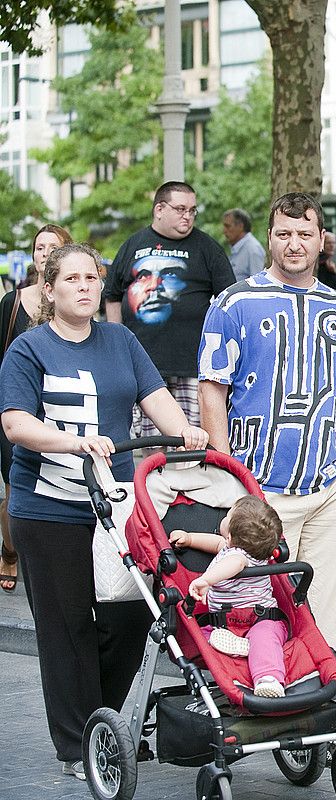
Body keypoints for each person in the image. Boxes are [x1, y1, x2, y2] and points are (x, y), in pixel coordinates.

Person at [0, 242, 207, 780]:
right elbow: (16, 424)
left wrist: (184, 428)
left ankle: (109, 725)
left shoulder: (120, 339)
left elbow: (154, 395)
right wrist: (74, 443)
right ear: (49, 290)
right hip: (47, 510)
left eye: (92, 277)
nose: (86, 286)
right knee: (66, 628)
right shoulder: (28, 350)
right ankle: (77, 746)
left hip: (111, 507)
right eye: (72, 279)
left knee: (129, 614)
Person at [199, 192, 336, 672]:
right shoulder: (234, 303)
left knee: (333, 611)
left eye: (304, 234)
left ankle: (331, 703)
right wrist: (227, 468)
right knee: (263, 610)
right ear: (270, 238)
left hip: (331, 481)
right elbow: (212, 387)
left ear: (322, 240)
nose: (294, 244)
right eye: (284, 234)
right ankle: (276, 704)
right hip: (260, 489)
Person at [103, 181, 236, 438]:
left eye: (192, 210)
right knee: (152, 443)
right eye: (180, 209)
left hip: (192, 365)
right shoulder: (133, 244)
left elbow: (229, 300)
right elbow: (112, 295)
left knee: (193, 439)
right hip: (145, 363)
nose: (188, 216)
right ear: (159, 209)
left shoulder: (207, 247)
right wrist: (117, 343)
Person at [0, 223, 71, 594]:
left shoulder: (75, 300)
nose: (44, 253)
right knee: (15, 484)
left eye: (52, 247)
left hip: (59, 409)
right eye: (39, 247)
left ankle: (41, 556)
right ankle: (10, 551)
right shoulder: (12, 302)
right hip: (16, 408)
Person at [169, 496, 289, 698]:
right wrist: (189, 538)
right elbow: (217, 544)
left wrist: (206, 580)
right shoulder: (234, 548)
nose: (224, 517)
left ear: (232, 536)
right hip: (229, 624)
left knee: (265, 640)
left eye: (228, 515)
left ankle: (269, 679)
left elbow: (234, 563)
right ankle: (241, 646)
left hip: (261, 620)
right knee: (202, 635)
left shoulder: (239, 558)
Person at [222, 208, 266, 281]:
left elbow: (259, 284)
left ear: (240, 226)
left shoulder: (252, 249)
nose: (224, 231)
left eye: (228, 226)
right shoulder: (237, 248)